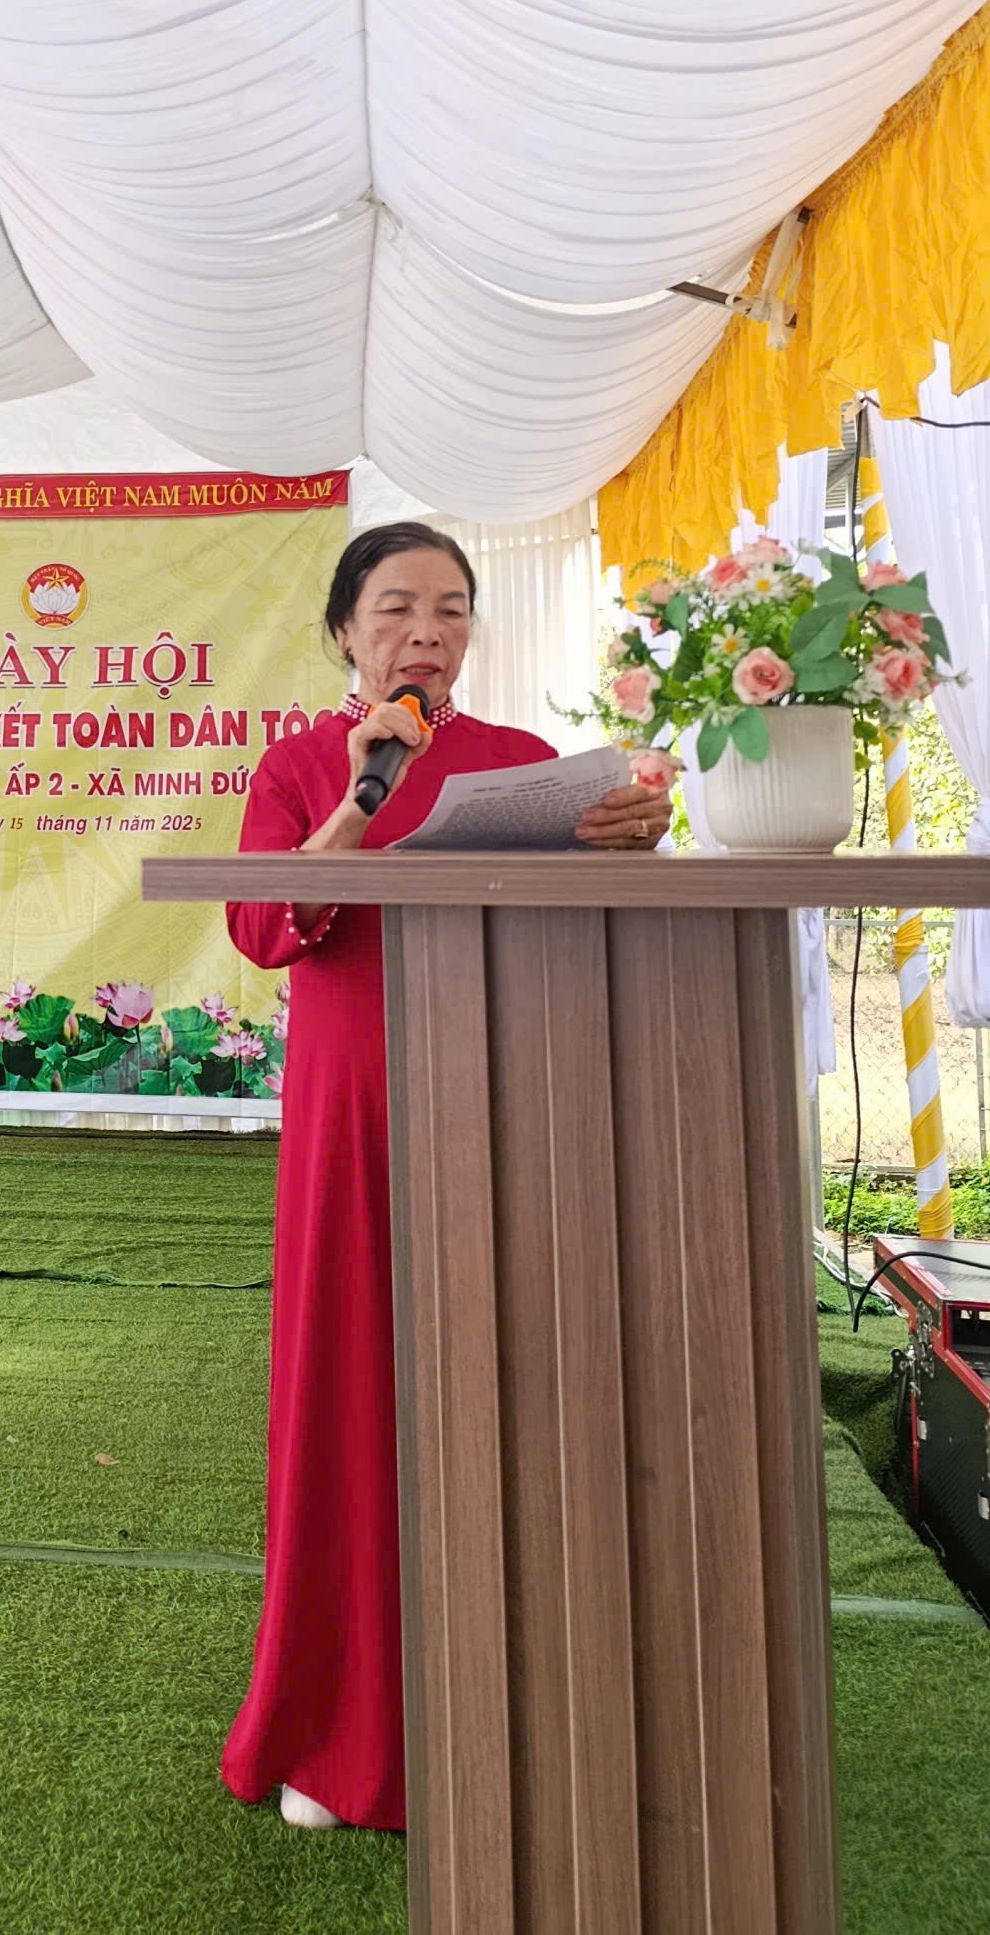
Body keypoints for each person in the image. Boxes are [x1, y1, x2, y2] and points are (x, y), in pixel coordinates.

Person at [221, 522, 669, 1833]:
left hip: (505, 1095)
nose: (427, 630)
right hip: (356, 1109)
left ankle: (514, 1713)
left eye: (452, 609)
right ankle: (336, 1731)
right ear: (343, 630)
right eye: (397, 607)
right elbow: (263, 925)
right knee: (352, 1389)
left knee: (508, 1394)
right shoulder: (299, 766)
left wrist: (625, 839)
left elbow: (583, 923)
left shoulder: (525, 762)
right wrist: (366, 793)